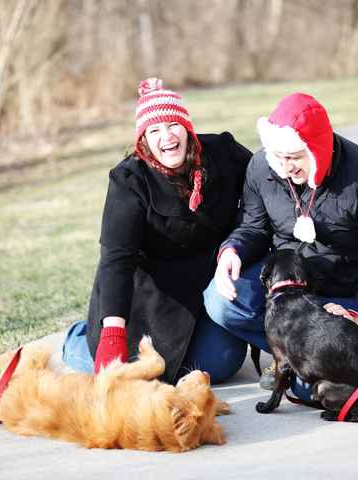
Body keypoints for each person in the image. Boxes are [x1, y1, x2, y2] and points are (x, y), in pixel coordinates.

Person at [203, 92, 358, 398]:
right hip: (290, 285)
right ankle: (291, 355)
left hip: (343, 291)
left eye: (294, 157)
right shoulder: (263, 167)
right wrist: (232, 249)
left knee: (317, 393)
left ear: (318, 147)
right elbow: (253, 225)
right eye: (278, 157)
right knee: (221, 301)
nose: (285, 166)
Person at [61, 78, 253, 384]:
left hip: (205, 283)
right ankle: (77, 341)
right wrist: (112, 333)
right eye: (154, 130)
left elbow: (263, 183)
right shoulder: (129, 181)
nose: (166, 136)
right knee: (135, 372)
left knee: (221, 361)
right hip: (149, 295)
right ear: (143, 141)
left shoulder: (223, 154)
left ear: (187, 127)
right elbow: (116, 259)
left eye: (172, 124)